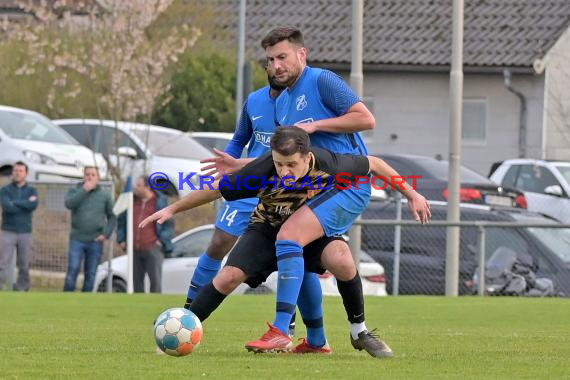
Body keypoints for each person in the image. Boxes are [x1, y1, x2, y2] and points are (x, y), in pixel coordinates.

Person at [141, 127, 431, 357]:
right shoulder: (262, 170)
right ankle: (183, 325)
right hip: (265, 228)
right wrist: (171, 209)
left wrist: (413, 195)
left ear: (307, 157)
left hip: (309, 229)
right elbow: (216, 190)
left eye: (292, 164)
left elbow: (376, 164)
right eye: (280, 164)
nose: (284, 172)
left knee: (342, 258)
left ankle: (359, 331)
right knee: (229, 276)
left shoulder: (329, 162)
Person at [186, 68, 327, 347]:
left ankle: (288, 325)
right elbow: (240, 138)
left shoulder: (303, 103)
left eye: (281, 63)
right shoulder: (254, 101)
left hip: (289, 189)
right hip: (253, 185)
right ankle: (186, 313)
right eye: (271, 62)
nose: (277, 70)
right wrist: (229, 164)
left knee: (293, 252)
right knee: (218, 243)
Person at [117, 175, 174, 293]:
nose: (135, 188)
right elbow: (121, 220)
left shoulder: (160, 202)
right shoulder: (131, 201)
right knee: (136, 282)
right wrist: (122, 239)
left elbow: (169, 225)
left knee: (155, 281)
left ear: (148, 187)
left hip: (153, 248)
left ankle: (155, 306)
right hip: (134, 249)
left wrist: (160, 241)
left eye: (139, 185)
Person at [63, 166, 116, 292]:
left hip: (95, 240)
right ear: (83, 176)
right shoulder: (75, 190)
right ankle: (65, 300)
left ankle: (85, 301)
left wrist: (106, 234)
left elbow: (112, 216)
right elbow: (69, 204)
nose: (90, 177)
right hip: (77, 238)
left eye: (93, 174)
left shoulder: (104, 195)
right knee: (72, 270)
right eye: (87, 174)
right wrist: (84, 190)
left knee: (91, 274)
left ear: (98, 177)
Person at [0, 161, 38, 291]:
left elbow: (32, 205)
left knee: (24, 264)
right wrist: (24, 204)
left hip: (25, 232)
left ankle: (22, 288)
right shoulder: (5, 190)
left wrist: (15, 203)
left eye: (20, 171)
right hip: (8, 231)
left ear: (26, 174)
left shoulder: (32, 190)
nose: (17, 173)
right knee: (2, 262)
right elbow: (7, 207)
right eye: (15, 170)